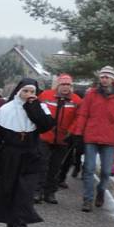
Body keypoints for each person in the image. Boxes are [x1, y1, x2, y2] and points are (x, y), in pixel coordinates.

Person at [0, 78, 54, 227]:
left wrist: (31, 107)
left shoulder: (39, 107)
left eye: (32, 92)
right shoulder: (6, 110)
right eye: (25, 91)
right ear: (18, 91)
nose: (29, 94)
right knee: (9, 191)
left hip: (31, 156)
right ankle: (10, 224)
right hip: (9, 157)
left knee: (25, 194)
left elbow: (45, 126)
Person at [69, 66, 114, 212]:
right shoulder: (91, 94)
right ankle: (88, 199)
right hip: (91, 136)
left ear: (112, 79)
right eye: (102, 77)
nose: (104, 79)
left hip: (110, 139)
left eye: (107, 77)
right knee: (89, 169)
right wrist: (78, 133)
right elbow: (83, 114)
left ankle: (101, 190)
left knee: (105, 171)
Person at [36, 73, 81, 204]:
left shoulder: (76, 100)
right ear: (58, 85)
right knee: (42, 164)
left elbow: (79, 118)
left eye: (68, 85)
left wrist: (71, 132)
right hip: (45, 136)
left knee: (56, 167)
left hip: (63, 139)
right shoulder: (45, 95)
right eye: (63, 84)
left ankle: (50, 193)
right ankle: (37, 191)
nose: (65, 87)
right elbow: (37, 111)